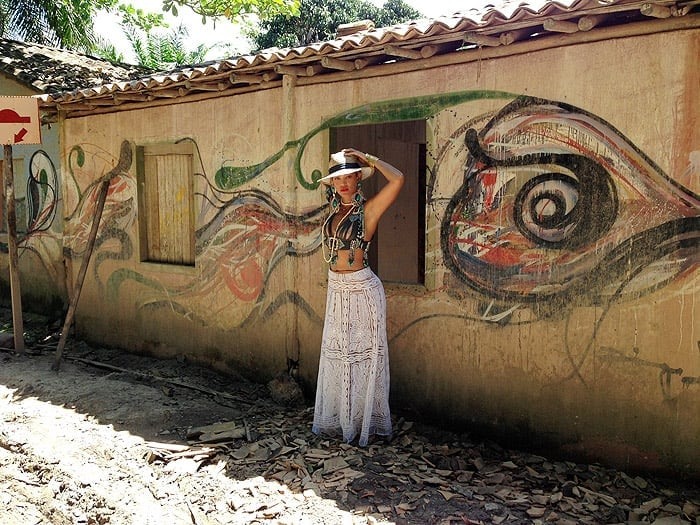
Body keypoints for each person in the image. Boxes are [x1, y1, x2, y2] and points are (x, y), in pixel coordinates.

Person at [312, 148, 404, 446]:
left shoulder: (368, 211)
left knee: (363, 359)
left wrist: (369, 158)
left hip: (362, 289)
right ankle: (343, 422)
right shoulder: (334, 213)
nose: (343, 183)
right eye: (338, 178)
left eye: (350, 177)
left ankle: (365, 426)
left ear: (358, 179)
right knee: (339, 358)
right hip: (337, 289)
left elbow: (398, 179)